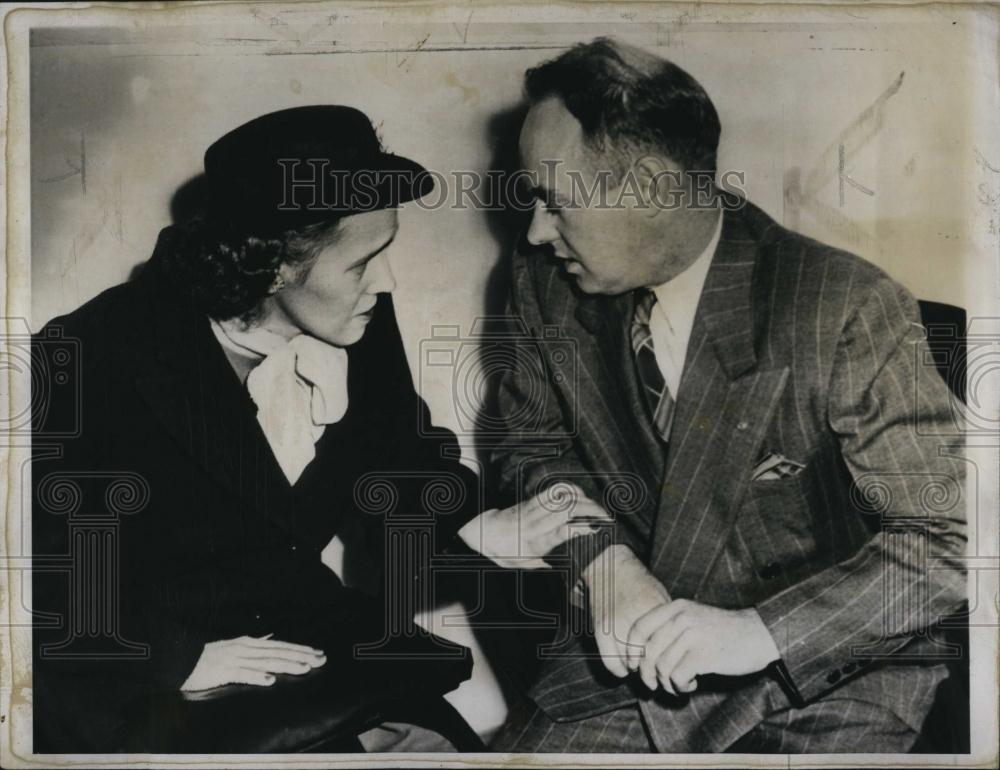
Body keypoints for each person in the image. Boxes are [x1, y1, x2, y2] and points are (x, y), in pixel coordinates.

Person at [30, 105, 584, 753]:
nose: (387, 282)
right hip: (132, 671)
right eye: (361, 264)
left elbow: (403, 457)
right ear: (273, 266)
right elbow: (38, 566)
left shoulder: (356, 317)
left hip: (302, 641)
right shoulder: (90, 355)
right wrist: (179, 658)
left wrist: (471, 527)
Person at [486, 39, 968, 753]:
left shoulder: (843, 306)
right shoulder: (544, 283)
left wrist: (759, 633)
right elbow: (532, 445)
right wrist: (603, 561)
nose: (533, 232)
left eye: (556, 204)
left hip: (832, 670)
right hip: (629, 663)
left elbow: (953, 541)